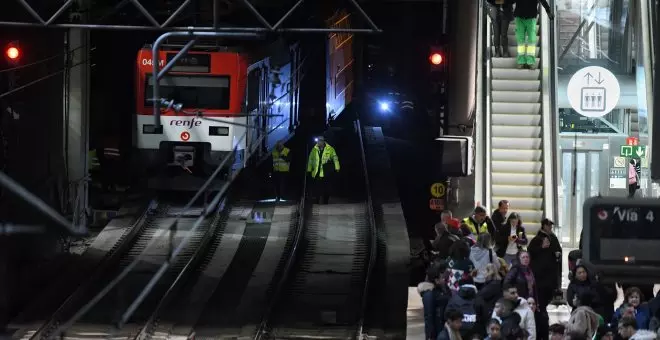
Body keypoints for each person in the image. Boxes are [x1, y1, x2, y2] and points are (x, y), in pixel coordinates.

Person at [527, 218, 562, 311]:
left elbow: (557, 250)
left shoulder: (553, 238)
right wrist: (541, 247)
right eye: (549, 225)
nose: (550, 227)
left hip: (549, 274)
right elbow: (531, 251)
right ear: (544, 226)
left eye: (551, 226)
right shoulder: (537, 239)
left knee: (546, 296)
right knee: (541, 297)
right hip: (540, 275)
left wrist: (557, 254)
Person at [513, 0, 554, 69]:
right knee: (520, 41)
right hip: (519, 17)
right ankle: (521, 61)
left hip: (531, 18)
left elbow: (543, 1)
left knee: (532, 40)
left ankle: (530, 62)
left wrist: (548, 10)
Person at [419, 261, 453, 340]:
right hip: (436, 330)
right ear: (436, 280)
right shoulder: (429, 294)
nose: (444, 279)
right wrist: (430, 336)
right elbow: (429, 316)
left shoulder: (443, 288)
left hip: (444, 325)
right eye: (442, 277)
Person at [306, 136, 340, 204]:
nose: (318, 142)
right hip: (317, 172)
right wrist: (309, 169)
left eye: (320, 141)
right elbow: (310, 160)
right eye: (318, 141)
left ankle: (325, 201)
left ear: (323, 141)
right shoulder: (314, 149)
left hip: (326, 172)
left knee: (326, 188)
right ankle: (317, 200)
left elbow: (335, 158)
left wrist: (337, 167)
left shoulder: (330, 149)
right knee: (317, 188)